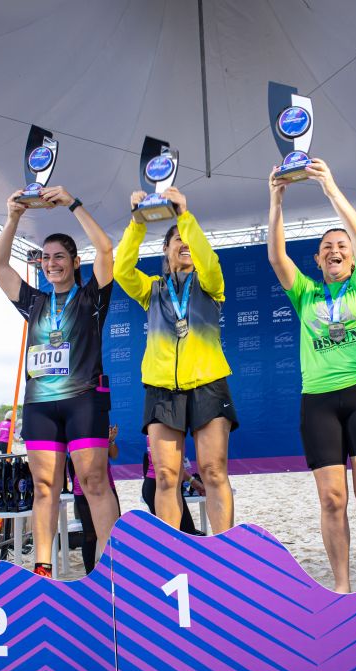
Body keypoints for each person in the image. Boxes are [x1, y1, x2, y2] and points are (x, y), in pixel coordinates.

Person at [268, 159, 356, 592]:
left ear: (352, 256)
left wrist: (330, 188)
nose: (335, 251)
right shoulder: (305, 292)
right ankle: (342, 587)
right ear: (318, 259)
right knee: (332, 499)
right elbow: (276, 257)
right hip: (318, 400)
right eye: (326, 248)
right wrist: (276, 200)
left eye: (341, 246)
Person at [0, 186, 119, 578]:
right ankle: (43, 568)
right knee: (44, 487)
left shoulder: (92, 298)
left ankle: (113, 569)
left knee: (93, 482)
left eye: (59, 256)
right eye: (45, 258)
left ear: (74, 261)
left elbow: (106, 249)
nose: (51, 263)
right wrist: (12, 218)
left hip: (84, 401)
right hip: (41, 405)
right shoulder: (35, 303)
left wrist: (73, 204)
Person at [115, 186, 237, 534]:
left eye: (188, 239)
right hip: (162, 389)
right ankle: (172, 553)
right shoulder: (151, 289)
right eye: (176, 239)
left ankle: (223, 549)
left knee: (213, 471)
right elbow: (122, 270)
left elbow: (209, 262)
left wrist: (184, 217)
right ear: (166, 250)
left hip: (208, 384)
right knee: (167, 476)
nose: (184, 243)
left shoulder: (210, 285)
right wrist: (137, 222)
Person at [68, 425, 123, 574]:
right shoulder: (75, 428)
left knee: (114, 530)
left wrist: (110, 441)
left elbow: (114, 455)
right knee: (90, 534)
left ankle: (115, 572)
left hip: (106, 487)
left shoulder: (99, 425)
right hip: (83, 489)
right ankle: (90, 574)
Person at [141, 435, 205, 536]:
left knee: (180, 534)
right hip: (160, 486)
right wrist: (193, 481)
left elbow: (172, 466)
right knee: (180, 535)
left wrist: (192, 481)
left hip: (156, 484)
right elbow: (170, 467)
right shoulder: (167, 430)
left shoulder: (157, 429)